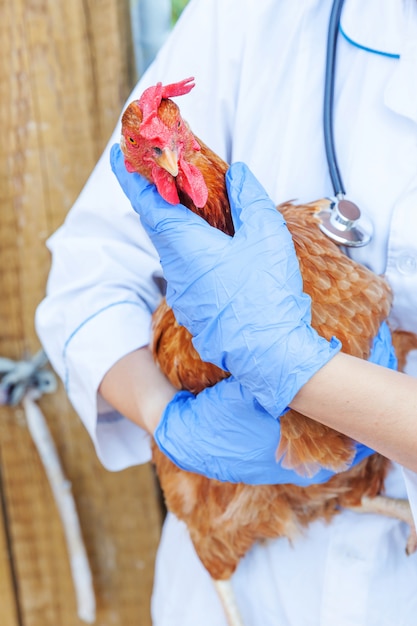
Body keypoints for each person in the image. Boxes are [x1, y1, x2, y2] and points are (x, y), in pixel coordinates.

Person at [36, 1, 417, 624]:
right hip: (238, 588)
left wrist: (294, 368)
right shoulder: (260, 13)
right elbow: (90, 275)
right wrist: (168, 419)